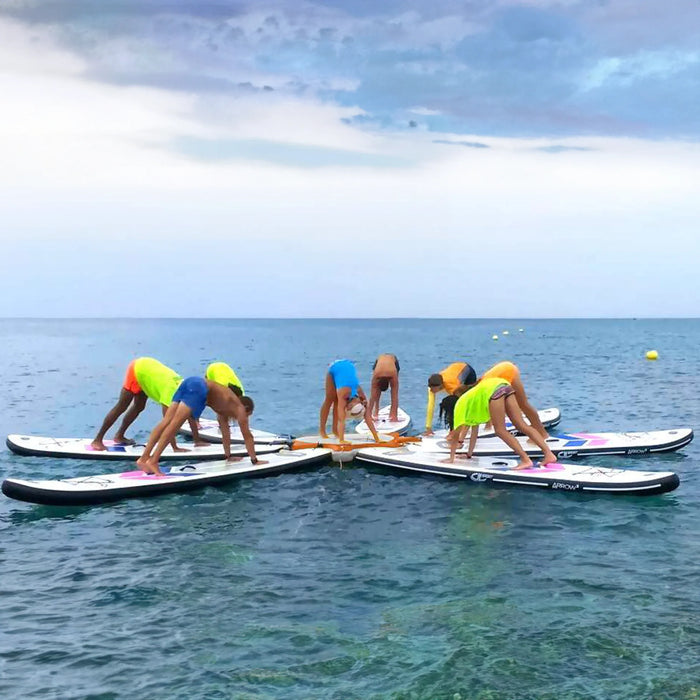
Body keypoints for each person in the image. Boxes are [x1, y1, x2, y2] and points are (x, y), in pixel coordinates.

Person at [136, 378, 265, 475]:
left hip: (190, 382)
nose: (245, 419)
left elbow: (226, 432)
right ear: (246, 408)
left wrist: (228, 456)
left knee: (167, 420)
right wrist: (255, 460)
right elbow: (247, 436)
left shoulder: (225, 409)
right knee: (175, 424)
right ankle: (153, 461)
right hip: (199, 388)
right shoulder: (240, 408)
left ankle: (144, 458)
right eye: (249, 415)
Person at [91, 357, 205, 451]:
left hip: (149, 374)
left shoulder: (189, 390)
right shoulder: (171, 394)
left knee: (139, 406)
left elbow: (190, 415)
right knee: (122, 406)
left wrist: (197, 441)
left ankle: (119, 435)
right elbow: (167, 422)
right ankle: (97, 440)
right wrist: (175, 447)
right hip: (138, 369)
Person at [439, 377, 557, 468]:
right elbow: (474, 431)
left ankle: (526, 460)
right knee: (522, 425)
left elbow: (455, 435)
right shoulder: (470, 400)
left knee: (500, 431)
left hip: (494, 391)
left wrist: (451, 458)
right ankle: (549, 454)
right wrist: (469, 454)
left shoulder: (460, 406)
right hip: (504, 385)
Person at [479, 361, 549, 439]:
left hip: (509, 371)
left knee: (523, 404)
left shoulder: (477, 394)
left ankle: (542, 433)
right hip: (501, 373)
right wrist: (488, 426)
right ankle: (538, 431)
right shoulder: (478, 392)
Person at [319, 359, 380, 443]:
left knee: (338, 403)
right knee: (330, 400)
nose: (346, 409)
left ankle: (335, 430)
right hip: (335, 367)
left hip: (348, 365)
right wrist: (342, 440)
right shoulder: (344, 395)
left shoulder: (362, 397)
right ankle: (322, 430)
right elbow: (341, 419)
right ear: (349, 406)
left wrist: (376, 438)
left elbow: (368, 417)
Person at [424, 361, 477, 435]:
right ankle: (455, 428)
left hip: (467, 372)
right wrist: (428, 428)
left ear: (440, 386)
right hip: (454, 370)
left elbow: (460, 405)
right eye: (431, 388)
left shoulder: (453, 386)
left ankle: (463, 426)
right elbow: (430, 406)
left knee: (460, 402)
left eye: (434, 389)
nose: (432, 390)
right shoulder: (431, 388)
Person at [368, 354, 400, 422]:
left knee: (373, 395)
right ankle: (394, 416)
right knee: (394, 394)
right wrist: (395, 417)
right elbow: (395, 398)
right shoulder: (393, 375)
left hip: (381, 361)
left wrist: (368, 416)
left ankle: (374, 412)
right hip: (389, 363)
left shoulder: (376, 375)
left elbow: (372, 397)